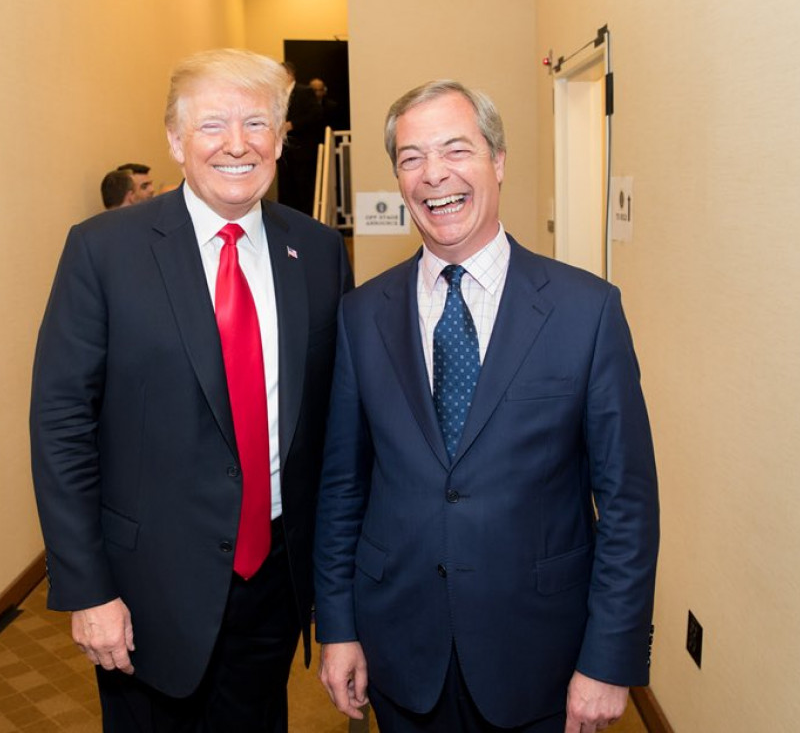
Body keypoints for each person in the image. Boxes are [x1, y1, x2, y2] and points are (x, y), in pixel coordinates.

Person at [314, 80, 659, 732]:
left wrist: (609, 659)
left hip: (540, 659)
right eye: (411, 158)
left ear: (497, 162)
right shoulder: (362, 315)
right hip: (400, 651)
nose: (433, 174)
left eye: (455, 149)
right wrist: (337, 628)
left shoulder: (587, 312)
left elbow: (628, 504)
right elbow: (342, 488)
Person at [30, 48, 353, 732]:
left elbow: (333, 431)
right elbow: (62, 424)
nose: (237, 144)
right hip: (144, 593)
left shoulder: (320, 253)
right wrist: (87, 589)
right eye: (212, 125)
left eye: (257, 123)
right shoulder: (103, 251)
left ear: (280, 137)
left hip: (273, 583)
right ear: (176, 141)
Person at [277, 63, 324, 217]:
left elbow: (315, 115)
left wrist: (293, 124)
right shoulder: (276, 94)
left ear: (289, 75)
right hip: (283, 151)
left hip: (302, 151)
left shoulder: (305, 91)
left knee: (303, 190)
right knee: (286, 191)